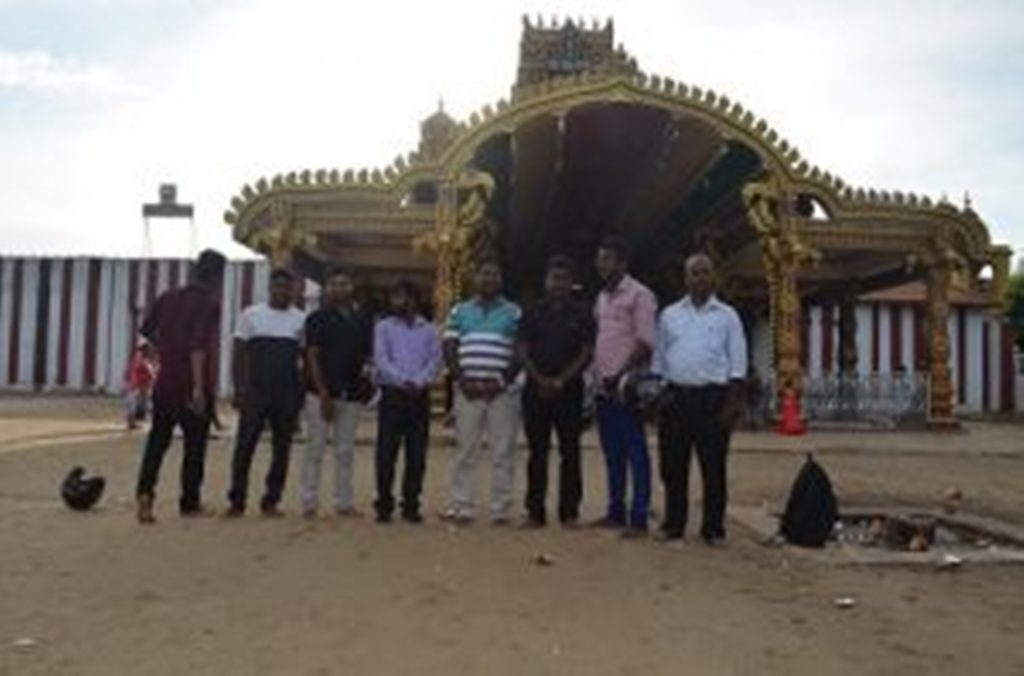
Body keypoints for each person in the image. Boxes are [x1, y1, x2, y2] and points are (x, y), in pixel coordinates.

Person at [652, 253, 747, 545]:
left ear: (714, 277)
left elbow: (738, 364)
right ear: (686, 279)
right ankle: (673, 525)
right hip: (676, 398)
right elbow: (660, 360)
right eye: (694, 273)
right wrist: (658, 399)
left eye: (705, 272)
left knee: (713, 468)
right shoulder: (669, 315)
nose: (700, 278)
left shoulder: (728, 316)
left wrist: (731, 404)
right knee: (672, 468)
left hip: (712, 400)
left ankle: (713, 529)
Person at [134, 248, 226, 524]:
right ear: (218, 276)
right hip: (191, 384)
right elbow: (198, 347)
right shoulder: (209, 303)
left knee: (157, 442)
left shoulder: (167, 297)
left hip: (165, 382)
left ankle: (145, 495)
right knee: (194, 446)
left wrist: (162, 357)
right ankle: (189, 502)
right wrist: (198, 388)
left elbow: (146, 336)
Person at [442, 257, 522, 525]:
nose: (488, 279)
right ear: (474, 278)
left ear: (501, 279)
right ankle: (462, 505)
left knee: (503, 451)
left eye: (494, 274)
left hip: (502, 392)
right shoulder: (459, 311)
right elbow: (449, 347)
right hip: (467, 390)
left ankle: (501, 509)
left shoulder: (514, 312)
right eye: (484, 274)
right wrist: (462, 380)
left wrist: (500, 382)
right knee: (465, 450)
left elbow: (520, 352)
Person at [517, 256, 595, 528]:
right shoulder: (532, 312)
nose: (558, 284)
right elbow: (522, 349)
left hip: (570, 391)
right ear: (545, 281)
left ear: (572, 282)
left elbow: (586, 352)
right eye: (553, 278)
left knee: (570, 452)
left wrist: (561, 380)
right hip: (535, 391)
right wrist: (539, 379)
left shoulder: (582, 313)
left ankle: (569, 512)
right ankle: (535, 512)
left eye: (563, 279)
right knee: (537, 452)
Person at [225, 269, 306, 518]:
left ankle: (271, 500)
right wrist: (239, 388)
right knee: (245, 446)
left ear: (293, 290)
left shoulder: (301, 319)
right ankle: (237, 500)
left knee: (282, 449)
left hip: (286, 391)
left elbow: (304, 360)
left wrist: (299, 395)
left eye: (287, 287)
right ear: (270, 288)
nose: (282, 291)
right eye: (278, 286)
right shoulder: (251, 315)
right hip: (255, 391)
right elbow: (239, 354)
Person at [592, 236, 657, 537]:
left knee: (635, 451)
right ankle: (615, 511)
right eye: (599, 259)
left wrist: (619, 375)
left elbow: (645, 343)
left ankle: (639, 517)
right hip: (603, 387)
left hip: (627, 387)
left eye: (607, 259)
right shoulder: (601, 298)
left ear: (622, 263)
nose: (601, 265)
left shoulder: (640, 295)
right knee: (612, 452)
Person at [300, 267, 373, 518]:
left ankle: (343, 502)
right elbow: (312, 356)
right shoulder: (316, 319)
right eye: (334, 284)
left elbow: (366, 355)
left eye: (344, 283)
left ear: (352, 287)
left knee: (345, 450)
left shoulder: (362, 319)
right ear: (326, 288)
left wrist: (367, 382)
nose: (339, 288)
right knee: (315, 448)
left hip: (351, 392)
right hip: (320, 393)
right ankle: (309, 501)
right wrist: (323, 393)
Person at [372, 280, 441, 523]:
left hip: (419, 396)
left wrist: (419, 382)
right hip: (393, 394)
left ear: (416, 300)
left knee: (417, 454)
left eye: (404, 297)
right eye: (395, 297)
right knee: (386, 453)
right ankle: (384, 504)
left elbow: (434, 362)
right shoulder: (383, 327)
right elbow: (382, 360)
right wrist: (404, 381)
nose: (399, 302)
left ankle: (411, 504)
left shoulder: (430, 330)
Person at [124, 341, 157, 430]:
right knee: (133, 404)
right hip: (135, 385)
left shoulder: (141, 359)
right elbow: (139, 372)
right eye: (149, 350)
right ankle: (132, 422)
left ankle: (133, 422)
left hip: (136, 384)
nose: (151, 352)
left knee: (135, 404)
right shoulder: (140, 359)